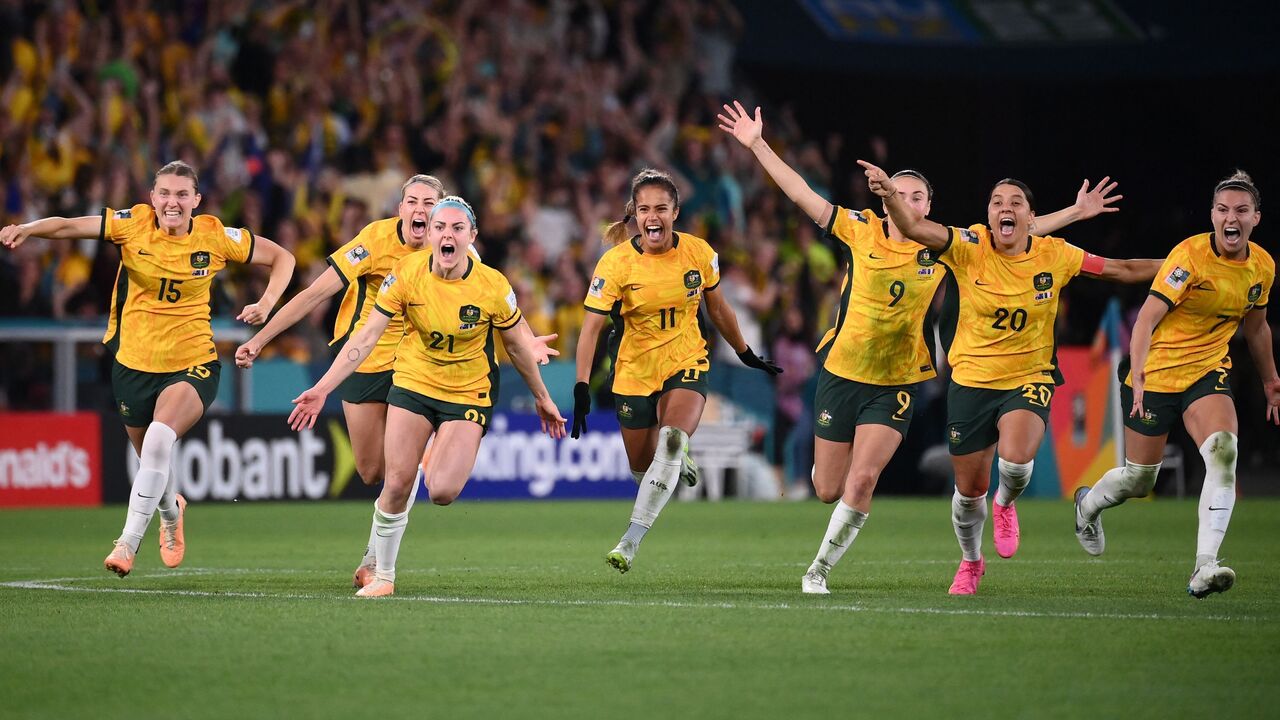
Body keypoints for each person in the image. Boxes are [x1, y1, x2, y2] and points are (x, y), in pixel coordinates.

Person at [718, 101, 1121, 594]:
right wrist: (758, 143)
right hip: (842, 373)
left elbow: (1017, 230)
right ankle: (838, 520)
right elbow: (801, 192)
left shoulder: (945, 244)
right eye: (899, 192)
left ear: (928, 207)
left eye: (917, 195)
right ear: (885, 195)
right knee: (827, 488)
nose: (907, 200)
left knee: (863, 480)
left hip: (898, 382)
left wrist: (1075, 213)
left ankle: (818, 569)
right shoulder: (858, 227)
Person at [233, 174, 557, 588]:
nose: (422, 212)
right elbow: (316, 294)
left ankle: (376, 562)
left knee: (401, 476)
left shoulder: (458, 244)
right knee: (371, 470)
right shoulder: (376, 242)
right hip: (363, 360)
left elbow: (496, 299)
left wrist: (529, 341)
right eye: (413, 203)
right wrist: (262, 339)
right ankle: (413, 478)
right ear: (400, 208)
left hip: (419, 364)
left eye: (431, 204)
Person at [860, 159, 1161, 595]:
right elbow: (915, 229)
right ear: (987, 216)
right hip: (970, 381)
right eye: (997, 202)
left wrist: (1185, 267)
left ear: (1030, 217)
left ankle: (1006, 503)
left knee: (1017, 460)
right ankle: (970, 562)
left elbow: (1122, 269)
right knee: (968, 490)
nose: (1006, 207)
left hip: (1028, 376)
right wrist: (890, 195)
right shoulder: (967, 245)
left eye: (1016, 202)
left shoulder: (1056, 255)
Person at [0, 160, 296, 577]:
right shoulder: (132, 224)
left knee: (159, 440)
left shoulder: (216, 236)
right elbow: (69, 227)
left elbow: (283, 257)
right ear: (152, 198)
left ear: (196, 200)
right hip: (133, 365)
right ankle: (172, 514)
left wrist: (266, 304)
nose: (172, 203)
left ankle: (127, 543)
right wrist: (29, 229)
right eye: (164, 194)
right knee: (152, 461)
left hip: (193, 362)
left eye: (181, 195)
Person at [1074, 170, 1278, 598]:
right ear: (1212, 215)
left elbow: (1256, 329)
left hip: (1206, 373)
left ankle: (1205, 565)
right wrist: (1141, 372)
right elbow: (1147, 317)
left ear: (1256, 218)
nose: (1231, 217)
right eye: (1223, 209)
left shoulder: (1262, 266)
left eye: (1241, 210)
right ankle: (1087, 505)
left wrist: (1270, 379)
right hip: (1155, 375)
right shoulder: (1188, 256)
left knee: (1224, 451)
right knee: (1139, 480)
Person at [571, 168, 782, 574]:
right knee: (642, 468)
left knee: (670, 439)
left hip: (686, 361)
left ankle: (629, 542)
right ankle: (676, 457)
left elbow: (717, 308)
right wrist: (582, 384)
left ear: (675, 212)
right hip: (633, 371)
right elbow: (591, 328)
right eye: (645, 209)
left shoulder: (699, 253)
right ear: (634, 214)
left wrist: (743, 350)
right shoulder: (615, 264)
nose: (654, 217)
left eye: (662, 209)